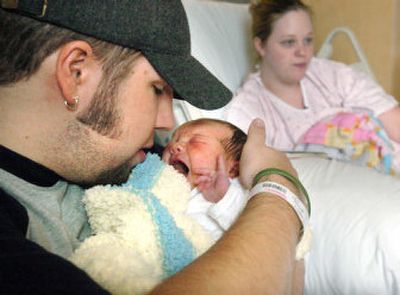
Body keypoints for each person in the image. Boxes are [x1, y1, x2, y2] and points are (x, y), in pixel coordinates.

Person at [0, 1, 308, 294]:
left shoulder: (131, 154)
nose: (167, 123)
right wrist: (278, 186)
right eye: (157, 89)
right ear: (76, 72)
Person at [224, 0, 400, 169]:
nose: (302, 52)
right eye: (289, 42)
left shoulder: (334, 76)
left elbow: (393, 121)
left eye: (308, 40)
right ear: (261, 46)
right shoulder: (250, 110)